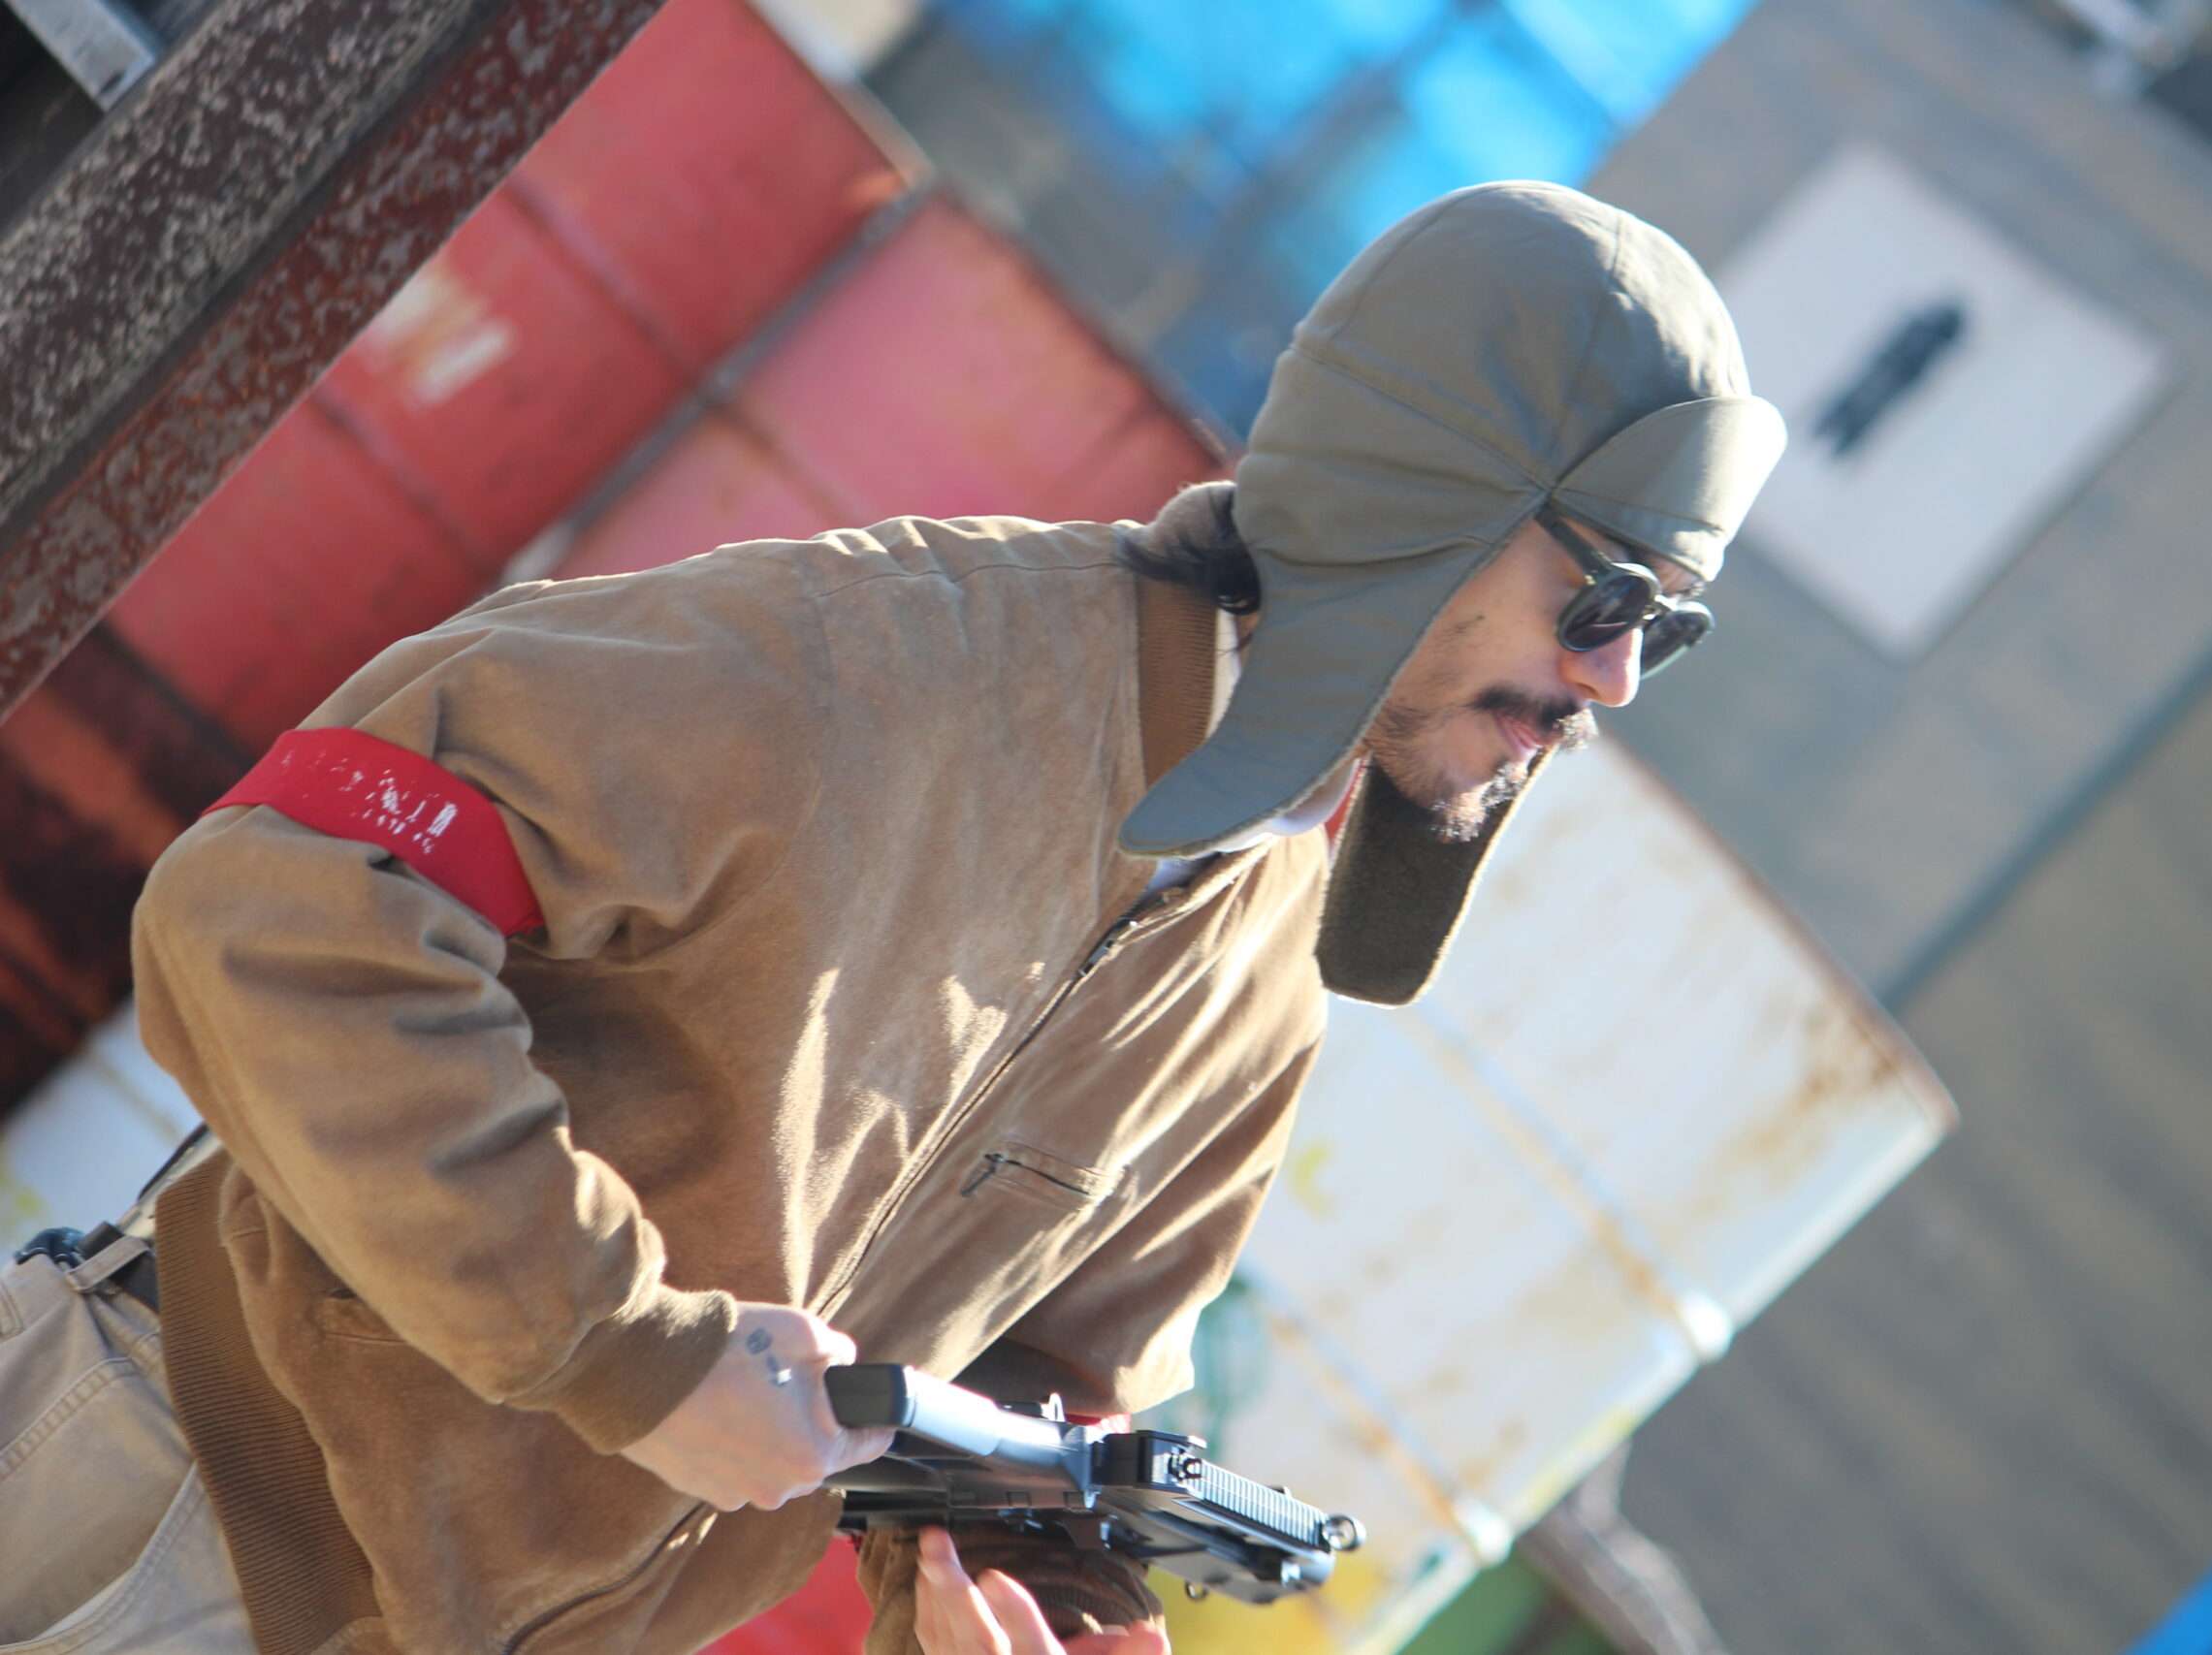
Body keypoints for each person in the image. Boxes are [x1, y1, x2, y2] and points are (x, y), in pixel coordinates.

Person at [0, 180, 1782, 1655]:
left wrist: (1040, 1603)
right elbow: (283, 900)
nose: (1616, 679)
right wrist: (625, 1346)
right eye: (1606, 596)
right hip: (160, 1492)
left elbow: (1042, 1388)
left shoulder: (1260, 985)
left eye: (1668, 633)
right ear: (1427, 498)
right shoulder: (874, 667)